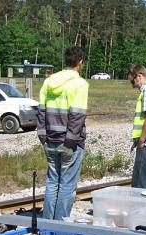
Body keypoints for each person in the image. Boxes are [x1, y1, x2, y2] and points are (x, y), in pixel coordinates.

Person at [37, 46, 89, 220]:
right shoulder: (80, 84)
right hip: (69, 143)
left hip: (50, 139)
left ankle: (47, 224)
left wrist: (43, 136)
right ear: (80, 62)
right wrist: (70, 141)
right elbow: (77, 115)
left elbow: (41, 111)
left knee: (52, 182)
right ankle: (61, 226)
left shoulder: (48, 82)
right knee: (67, 185)